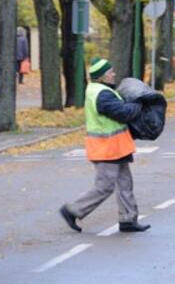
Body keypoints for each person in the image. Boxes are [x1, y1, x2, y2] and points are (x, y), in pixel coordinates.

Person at [59, 57, 150, 233]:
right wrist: (138, 103)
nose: (113, 74)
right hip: (105, 149)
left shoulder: (102, 90)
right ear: (101, 76)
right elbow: (123, 113)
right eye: (110, 72)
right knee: (105, 186)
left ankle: (128, 220)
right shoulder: (102, 94)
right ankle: (72, 210)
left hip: (116, 148)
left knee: (125, 183)